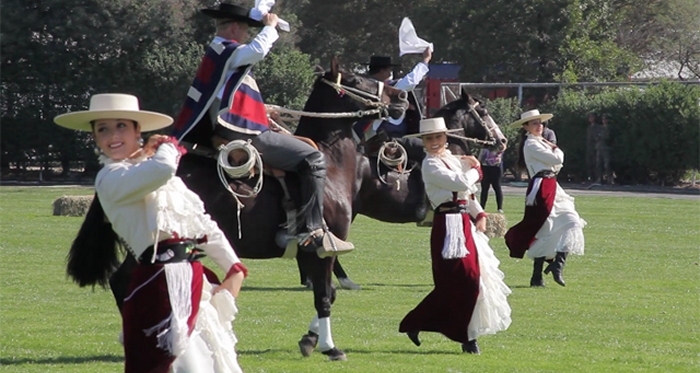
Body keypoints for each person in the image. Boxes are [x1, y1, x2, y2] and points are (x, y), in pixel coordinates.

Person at [55, 93, 247, 373]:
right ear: (95, 138)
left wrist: (234, 267)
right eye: (103, 129)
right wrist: (168, 145)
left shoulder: (154, 174)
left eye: (121, 126)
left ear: (137, 131)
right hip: (158, 287)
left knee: (217, 363)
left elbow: (202, 224)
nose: (112, 135)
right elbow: (165, 168)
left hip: (192, 281)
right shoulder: (110, 178)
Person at [171, 2, 352, 255]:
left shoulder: (220, 55)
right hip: (249, 136)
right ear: (235, 27)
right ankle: (313, 230)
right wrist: (270, 28)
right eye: (245, 30)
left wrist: (261, 109)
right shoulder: (227, 51)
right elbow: (257, 50)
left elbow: (228, 98)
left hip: (238, 131)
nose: (246, 36)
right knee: (313, 158)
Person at [398, 117, 512, 354]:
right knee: (462, 280)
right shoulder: (430, 165)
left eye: (438, 137)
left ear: (445, 138)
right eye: (429, 139)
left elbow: (467, 195)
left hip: (463, 222)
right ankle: (461, 335)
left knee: (473, 279)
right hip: (447, 225)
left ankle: (447, 330)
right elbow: (461, 182)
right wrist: (477, 169)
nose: (435, 142)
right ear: (424, 142)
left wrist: (479, 214)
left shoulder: (452, 160)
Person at [504, 109, 586, 287]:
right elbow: (557, 159)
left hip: (552, 184)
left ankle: (558, 264)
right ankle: (536, 276)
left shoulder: (541, 141)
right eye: (534, 123)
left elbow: (556, 166)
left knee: (572, 220)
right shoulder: (531, 144)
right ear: (526, 127)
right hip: (541, 186)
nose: (539, 126)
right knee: (544, 228)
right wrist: (556, 150)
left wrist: (555, 155)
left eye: (540, 123)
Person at [355, 48, 432, 162]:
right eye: (389, 70)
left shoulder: (363, 87)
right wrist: (426, 59)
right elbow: (411, 81)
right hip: (390, 138)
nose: (390, 73)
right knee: (428, 150)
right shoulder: (386, 89)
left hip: (368, 138)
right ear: (381, 71)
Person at [478, 147, 506, 213]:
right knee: (484, 188)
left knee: (497, 187)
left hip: (496, 167)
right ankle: (482, 206)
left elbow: (503, 146)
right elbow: (481, 154)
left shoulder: (499, 142)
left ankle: (500, 208)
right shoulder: (485, 144)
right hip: (485, 167)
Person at [595, 114, 613, 184]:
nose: (604, 121)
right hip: (599, 147)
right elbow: (596, 136)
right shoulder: (600, 128)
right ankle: (600, 178)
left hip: (606, 148)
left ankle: (609, 178)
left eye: (605, 119)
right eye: (603, 119)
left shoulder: (609, 128)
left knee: (607, 164)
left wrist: (601, 137)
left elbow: (608, 137)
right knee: (599, 164)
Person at [585, 112, 600, 182]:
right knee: (589, 163)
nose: (590, 119)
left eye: (592, 117)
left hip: (595, 147)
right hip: (589, 147)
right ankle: (591, 177)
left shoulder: (597, 127)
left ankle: (597, 178)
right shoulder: (589, 127)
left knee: (595, 163)